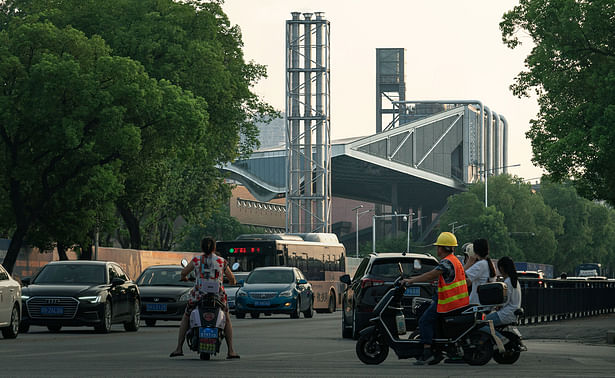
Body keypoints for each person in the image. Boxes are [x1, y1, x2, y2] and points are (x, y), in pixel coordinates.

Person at [402, 232, 470, 365]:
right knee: (428, 313)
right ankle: (437, 352)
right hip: (459, 302)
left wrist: (410, 281)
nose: (437, 249)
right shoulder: (455, 261)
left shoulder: (447, 262)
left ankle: (427, 353)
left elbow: (431, 275)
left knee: (424, 321)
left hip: (448, 303)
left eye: (438, 246)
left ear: (442, 248)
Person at [170, 237, 240, 359]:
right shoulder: (221, 261)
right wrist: (232, 282)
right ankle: (231, 351)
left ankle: (178, 348)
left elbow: (183, 273)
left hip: (198, 295)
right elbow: (232, 278)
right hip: (218, 295)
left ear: (202, 247)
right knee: (227, 319)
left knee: (186, 316)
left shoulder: (196, 260)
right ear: (214, 248)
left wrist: (185, 278)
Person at [486, 256, 522, 326]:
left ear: (501, 268)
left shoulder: (507, 282)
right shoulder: (514, 281)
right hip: (512, 313)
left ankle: (497, 337)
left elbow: (504, 301)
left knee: (483, 323)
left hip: (505, 314)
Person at [463, 238, 497, 305]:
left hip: (476, 303)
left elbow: (460, 274)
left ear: (475, 251)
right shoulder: (489, 263)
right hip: (484, 303)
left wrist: (469, 262)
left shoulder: (481, 264)